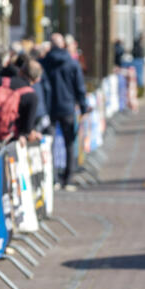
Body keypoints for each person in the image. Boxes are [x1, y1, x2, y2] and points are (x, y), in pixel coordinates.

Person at [41, 32, 88, 190]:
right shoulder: (72, 63)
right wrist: (83, 106)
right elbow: (79, 86)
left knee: (50, 144)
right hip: (68, 107)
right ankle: (68, 179)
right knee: (69, 143)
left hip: (50, 108)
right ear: (63, 45)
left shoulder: (44, 62)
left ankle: (53, 179)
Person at [0, 58, 39, 151]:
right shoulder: (31, 96)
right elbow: (27, 129)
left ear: (20, 71)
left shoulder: (0, 81)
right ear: (36, 79)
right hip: (6, 140)